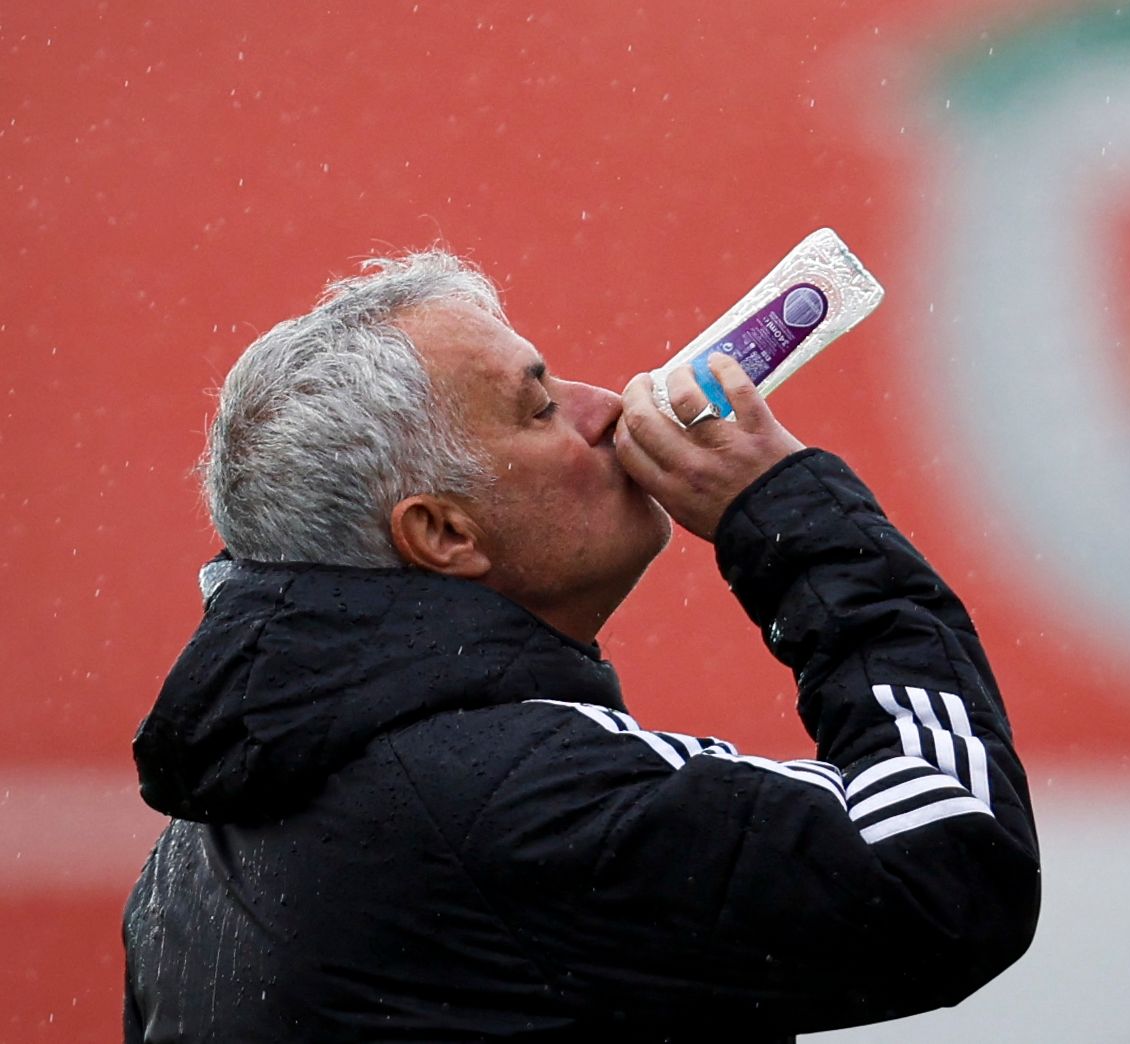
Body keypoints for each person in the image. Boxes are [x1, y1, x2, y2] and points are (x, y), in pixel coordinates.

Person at [122, 251, 1039, 1042]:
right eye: (538, 408)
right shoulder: (517, 796)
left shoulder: (190, 856)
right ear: (442, 533)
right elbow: (951, 857)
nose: (606, 407)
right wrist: (794, 518)